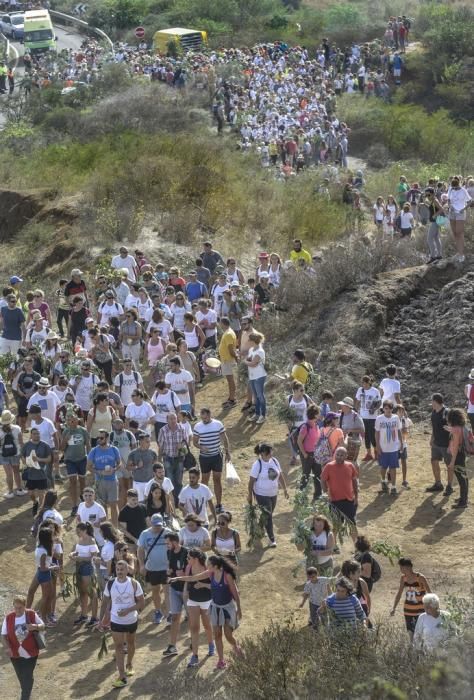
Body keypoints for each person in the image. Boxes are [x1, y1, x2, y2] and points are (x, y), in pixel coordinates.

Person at [99, 560, 145, 689]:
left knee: (130, 644)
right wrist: (100, 619)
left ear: (127, 570)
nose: (119, 572)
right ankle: (122, 676)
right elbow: (104, 603)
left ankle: (129, 664)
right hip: (115, 620)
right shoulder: (110, 583)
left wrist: (128, 610)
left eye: (122, 569)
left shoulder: (134, 584)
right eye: (118, 569)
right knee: (118, 647)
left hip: (131, 620)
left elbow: (142, 603)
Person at [1, 594, 45, 700]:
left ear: (25, 606)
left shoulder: (31, 614)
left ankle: (25, 696)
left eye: (20, 608)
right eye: (15, 607)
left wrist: (35, 626)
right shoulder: (9, 618)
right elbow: (2, 635)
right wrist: (7, 647)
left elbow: (43, 626)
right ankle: (26, 689)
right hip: (15, 654)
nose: (17, 610)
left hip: (31, 652)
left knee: (26, 675)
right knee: (21, 676)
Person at [247, 442, 289, 548]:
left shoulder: (274, 461)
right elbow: (251, 481)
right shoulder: (257, 465)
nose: (271, 453)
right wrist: (250, 495)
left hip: (273, 493)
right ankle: (271, 539)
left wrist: (285, 489)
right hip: (261, 494)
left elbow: (280, 476)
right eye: (269, 452)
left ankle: (259, 528)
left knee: (267, 514)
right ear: (263, 453)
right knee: (269, 515)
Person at [193, 407, 231, 514]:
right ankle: (203, 503)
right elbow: (195, 442)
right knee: (204, 481)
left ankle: (218, 504)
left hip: (217, 456)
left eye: (205, 418)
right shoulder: (198, 426)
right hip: (204, 458)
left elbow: (224, 438)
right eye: (202, 418)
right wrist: (201, 447)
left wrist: (227, 452)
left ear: (209, 415)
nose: (203, 420)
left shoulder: (218, 424)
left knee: (217, 480)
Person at [137, 513, 172, 624]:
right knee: (155, 591)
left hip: (167, 568)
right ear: (151, 524)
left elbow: (175, 547)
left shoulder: (168, 532)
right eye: (156, 525)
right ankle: (158, 611)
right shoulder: (145, 534)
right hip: (152, 568)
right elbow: (140, 550)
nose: (158, 527)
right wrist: (142, 565)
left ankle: (170, 613)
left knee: (167, 591)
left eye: (159, 525)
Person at [321, 446, 359, 541]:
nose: (339, 456)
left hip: (349, 501)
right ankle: (333, 546)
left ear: (346, 456)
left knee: (352, 524)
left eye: (341, 455)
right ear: (334, 455)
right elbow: (322, 480)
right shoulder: (329, 466)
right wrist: (326, 493)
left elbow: (354, 481)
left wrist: (356, 497)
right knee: (336, 525)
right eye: (337, 454)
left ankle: (358, 548)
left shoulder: (350, 466)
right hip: (334, 502)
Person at [162, 533, 189, 658]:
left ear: (175, 542)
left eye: (168, 543)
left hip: (187, 589)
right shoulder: (169, 552)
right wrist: (169, 572)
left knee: (192, 618)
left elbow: (194, 571)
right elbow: (170, 567)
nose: (166, 545)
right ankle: (172, 646)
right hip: (174, 587)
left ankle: (194, 643)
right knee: (174, 617)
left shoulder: (187, 553)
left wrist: (183, 573)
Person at [390, 557, 431, 638]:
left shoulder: (420, 577)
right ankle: (413, 650)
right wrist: (394, 607)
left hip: (420, 611)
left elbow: (429, 593)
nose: (401, 569)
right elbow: (399, 593)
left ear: (408, 567)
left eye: (402, 567)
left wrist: (433, 607)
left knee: (421, 634)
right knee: (410, 634)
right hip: (408, 611)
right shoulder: (403, 578)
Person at [86, 429, 121, 525]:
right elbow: (88, 467)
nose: (99, 440)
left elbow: (119, 463)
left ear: (107, 438)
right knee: (103, 506)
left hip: (112, 481)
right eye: (98, 438)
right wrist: (99, 472)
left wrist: (114, 469)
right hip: (100, 481)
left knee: (113, 505)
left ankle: (115, 528)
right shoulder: (94, 451)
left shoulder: (114, 449)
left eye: (101, 438)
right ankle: (105, 529)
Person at [69, 521, 99, 627]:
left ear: (85, 530)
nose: (77, 533)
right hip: (79, 568)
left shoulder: (91, 540)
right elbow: (77, 552)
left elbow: (94, 557)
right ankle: (84, 615)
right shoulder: (80, 540)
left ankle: (95, 617)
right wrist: (72, 554)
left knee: (91, 592)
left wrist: (80, 558)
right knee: (82, 592)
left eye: (79, 531)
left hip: (88, 568)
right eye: (77, 531)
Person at [157, 412, 187, 504]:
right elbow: (161, 446)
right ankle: (171, 500)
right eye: (171, 419)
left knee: (178, 480)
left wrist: (181, 445)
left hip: (179, 458)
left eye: (174, 418)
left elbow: (186, 442)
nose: (173, 420)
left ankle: (178, 501)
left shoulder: (182, 428)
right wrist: (159, 460)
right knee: (169, 479)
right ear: (167, 420)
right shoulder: (162, 430)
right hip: (167, 457)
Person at [21, 427, 51, 517]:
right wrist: (26, 462)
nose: (36, 435)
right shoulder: (27, 445)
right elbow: (22, 456)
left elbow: (49, 459)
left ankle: (41, 511)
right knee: (31, 493)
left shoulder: (45, 445)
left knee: (42, 494)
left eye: (38, 433)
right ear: (31, 435)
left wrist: (38, 459)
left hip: (41, 474)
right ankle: (35, 502)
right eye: (34, 433)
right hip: (30, 474)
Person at [375, 400, 403, 495]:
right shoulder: (379, 419)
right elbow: (377, 432)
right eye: (386, 408)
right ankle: (383, 481)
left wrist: (401, 443)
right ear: (383, 409)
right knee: (383, 467)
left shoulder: (395, 418)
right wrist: (377, 446)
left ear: (392, 409)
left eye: (390, 408)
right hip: (383, 447)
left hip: (393, 447)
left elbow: (399, 430)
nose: (388, 410)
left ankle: (394, 487)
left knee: (393, 467)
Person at [427, 393, 450, 494]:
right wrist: (432, 438)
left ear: (436, 401)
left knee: (449, 465)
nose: (431, 403)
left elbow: (453, 428)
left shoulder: (447, 412)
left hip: (446, 444)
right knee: (434, 461)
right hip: (436, 443)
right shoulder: (434, 411)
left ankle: (449, 486)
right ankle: (438, 484)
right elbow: (434, 426)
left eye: (432, 401)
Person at [445, 408, 469, 508]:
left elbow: (455, 448)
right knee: (464, 477)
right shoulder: (461, 427)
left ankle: (463, 502)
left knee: (461, 479)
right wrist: (450, 429)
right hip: (461, 454)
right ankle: (464, 498)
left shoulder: (455, 430)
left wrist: (452, 462)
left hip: (457, 456)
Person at [297, 405, 321, 500]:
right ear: (315, 414)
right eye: (318, 413)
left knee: (318, 475)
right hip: (307, 455)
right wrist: (304, 454)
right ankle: (301, 497)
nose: (320, 415)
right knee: (305, 476)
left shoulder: (317, 425)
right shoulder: (305, 426)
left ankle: (318, 495)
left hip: (316, 454)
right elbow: (299, 441)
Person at [1, 409, 25, 499]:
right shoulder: (17, 428)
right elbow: (21, 443)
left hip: (3, 455)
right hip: (16, 454)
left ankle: (10, 492)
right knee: (16, 472)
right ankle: (19, 490)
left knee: (9, 474)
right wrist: (23, 455)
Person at [355, 376, 381, 462]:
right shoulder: (360, 390)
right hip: (362, 417)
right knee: (365, 436)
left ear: (369, 382)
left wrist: (373, 409)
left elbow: (379, 402)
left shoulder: (375, 391)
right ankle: (369, 454)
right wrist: (355, 412)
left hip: (372, 417)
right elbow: (357, 401)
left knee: (372, 435)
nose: (364, 385)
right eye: (362, 383)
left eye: (365, 383)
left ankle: (376, 452)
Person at [127, 431, 158, 502]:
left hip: (150, 482)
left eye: (149, 441)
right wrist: (137, 466)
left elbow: (156, 467)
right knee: (140, 503)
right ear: (141, 442)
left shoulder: (153, 453)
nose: (149, 444)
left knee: (151, 502)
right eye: (147, 442)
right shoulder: (133, 453)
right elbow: (128, 468)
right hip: (138, 483)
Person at [447, 175, 471, 262]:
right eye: (453, 187)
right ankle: (458, 252)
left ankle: (461, 254)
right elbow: (448, 200)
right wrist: (450, 206)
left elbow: (470, 201)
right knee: (455, 233)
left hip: (460, 213)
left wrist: (463, 209)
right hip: (452, 212)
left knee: (459, 232)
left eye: (455, 187)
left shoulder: (463, 190)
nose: (454, 189)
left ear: (458, 185)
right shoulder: (450, 189)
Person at [245, 331, 267, 424]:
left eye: (249, 340)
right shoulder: (251, 350)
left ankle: (263, 415)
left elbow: (253, 364)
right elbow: (249, 359)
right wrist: (248, 361)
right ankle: (257, 414)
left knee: (260, 396)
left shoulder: (260, 351)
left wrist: (245, 362)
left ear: (253, 341)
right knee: (255, 396)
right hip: (252, 376)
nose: (248, 341)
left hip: (259, 376)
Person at [337, 397, 365, 465]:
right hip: (342, 441)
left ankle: (355, 475)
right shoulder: (340, 414)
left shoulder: (356, 416)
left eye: (343, 405)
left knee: (352, 462)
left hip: (353, 442)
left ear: (347, 407)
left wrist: (350, 430)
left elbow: (362, 430)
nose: (341, 406)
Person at [218, 317, 238, 408]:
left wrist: (236, 358)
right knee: (230, 380)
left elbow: (230, 349)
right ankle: (231, 398)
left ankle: (232, 399)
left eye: (220, 323)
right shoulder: (228, 332)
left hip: (228, 361)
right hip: (226, 360)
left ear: (223, 323)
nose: (219, 325)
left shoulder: (229, 334)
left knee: (230, 381)